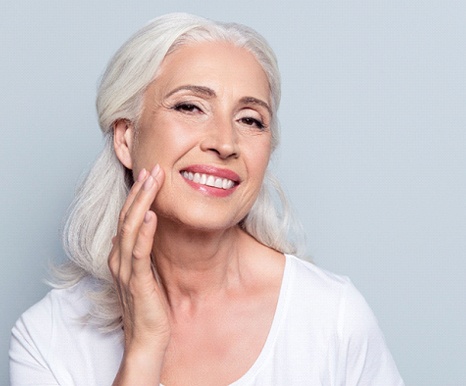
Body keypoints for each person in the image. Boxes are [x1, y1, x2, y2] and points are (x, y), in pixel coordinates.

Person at [9, 13, 404, 385]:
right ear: (126, 138)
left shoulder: (333, 318)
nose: (225, 142)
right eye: (190, 107)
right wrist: (144, 349)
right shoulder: (47, 339)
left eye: (250, 119)